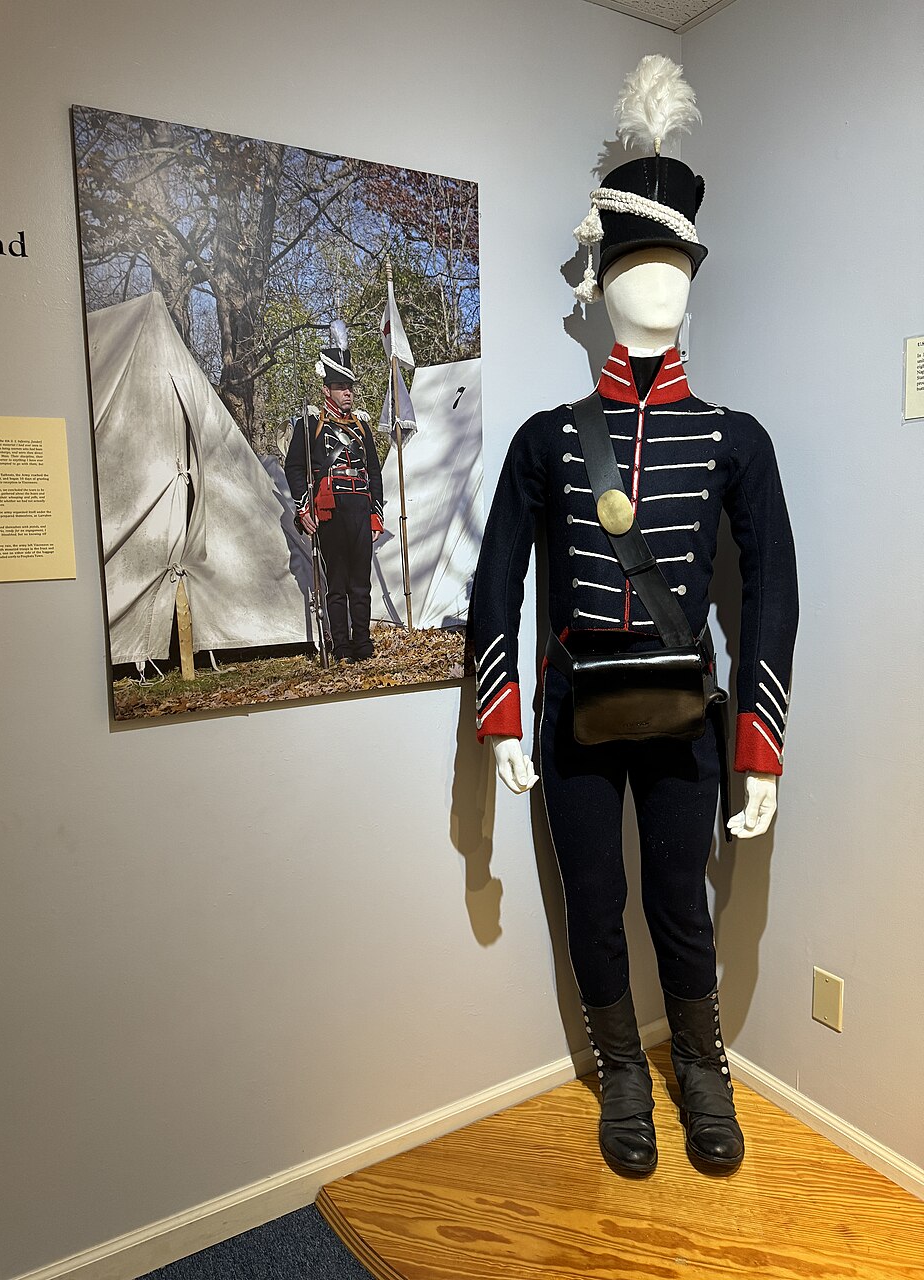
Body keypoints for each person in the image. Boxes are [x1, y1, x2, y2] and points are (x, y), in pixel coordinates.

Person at [470, 56, 798, 1177]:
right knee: (593, 903)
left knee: (678, 898)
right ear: (602, 281)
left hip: (680, 711)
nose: (660, 282)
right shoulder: (544, 437)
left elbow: (774, 596)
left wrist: (759, 747)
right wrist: (504, 718)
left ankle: (698, 1061)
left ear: (694, 283)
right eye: (640, 261)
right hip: (571, 712)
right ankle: (622, 1065)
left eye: (675, 264)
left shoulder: (736, 437)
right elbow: (497, 583)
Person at [285, 322, 384, 662]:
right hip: (329, 511)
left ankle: (363, 643)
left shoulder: (361, 426)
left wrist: (376, 515)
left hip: (359, 510)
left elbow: (373, 471)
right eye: (341, 387)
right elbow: (294, 468)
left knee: (361, 583)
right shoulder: (310, 425)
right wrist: (303, 509)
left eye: (350, 387)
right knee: (337, 584)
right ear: (327, 389)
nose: (348, 393)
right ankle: (341, 645)